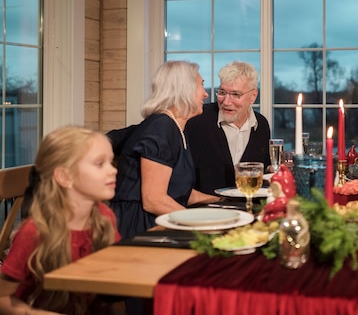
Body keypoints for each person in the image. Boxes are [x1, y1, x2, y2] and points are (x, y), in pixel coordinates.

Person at [0, 126, 121, 314]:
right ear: (64, 176)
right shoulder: (35, 232)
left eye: (111, 162)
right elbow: (2, 297)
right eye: (100, 164)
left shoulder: (104, 217)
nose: (113, 170)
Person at [109, 60, 218, 238]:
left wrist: (223, 202)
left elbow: (181, 191)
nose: (205, 94)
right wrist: (199, 224)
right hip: (141, 226)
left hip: (159, 221)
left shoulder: (176, 127)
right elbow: (153, 200)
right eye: (201, 85)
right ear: (184, 89)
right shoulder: (161, 127)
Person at [186, 61, 271, 195]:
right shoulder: (197, 120)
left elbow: (263, 173)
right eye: (222, 92)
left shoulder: (261, 125)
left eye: (235, 94)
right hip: (205, 211)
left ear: (253, 96)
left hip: (247, 210)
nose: (226, 102)